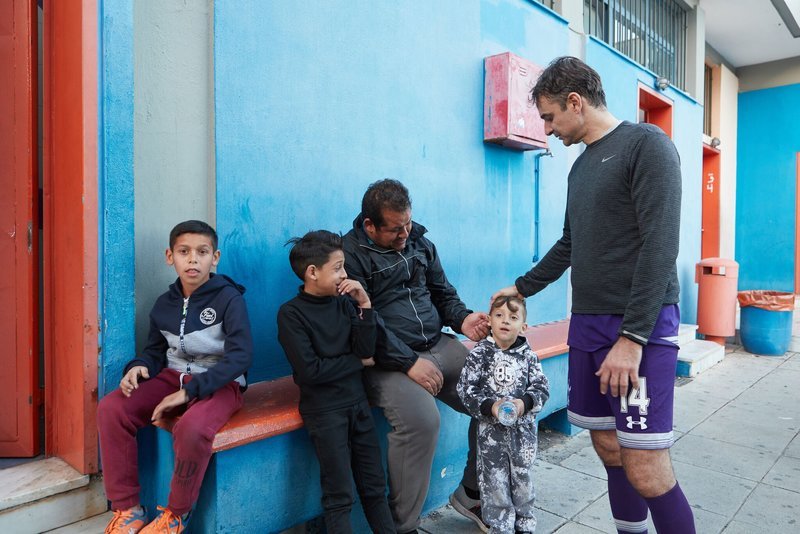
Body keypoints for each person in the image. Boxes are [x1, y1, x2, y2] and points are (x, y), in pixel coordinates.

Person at [492, 56, 695, 534]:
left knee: (646, 465)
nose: (547, 129)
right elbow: (570, 242)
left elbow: (660, 244)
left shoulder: (648, 145)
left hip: (637, 328)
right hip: (588, 325)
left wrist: (633, 338)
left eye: (549, 116)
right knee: (607, 447)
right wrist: (521, 287)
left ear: (575, 102)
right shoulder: (580, 166)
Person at [342, 179, 491, 534]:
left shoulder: (420, 242)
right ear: (369, 225)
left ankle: (472, 491)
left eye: (408, 223)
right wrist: (408, 362)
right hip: (385, 362)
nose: (404, 233)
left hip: (437, 343)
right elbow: (362, 323)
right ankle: (401, 526)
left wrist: (463, 317)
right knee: (423, 422)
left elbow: (443, 293)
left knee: (496, 397)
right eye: (395, 229)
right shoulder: (349, 257)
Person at [98, 220, 253, 534]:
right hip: (172, 376)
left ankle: (175, 516)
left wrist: (190, 392)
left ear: (216, 257)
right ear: (170, 256)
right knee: (111, 408)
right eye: (184, 251)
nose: (193, 259)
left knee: (192, 427)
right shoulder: (163, 304)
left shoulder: (228, 299)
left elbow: (241, 356)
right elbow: (155, 350)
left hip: (220, 383)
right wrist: (138, 366)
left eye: (202, 251)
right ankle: (128, 510)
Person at [276, 230, 395, 534]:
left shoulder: (344, 302)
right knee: (339, 495)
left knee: (374, 485)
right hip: (325, 413)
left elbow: (367, 350)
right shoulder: (291, 314)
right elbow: (310, 372)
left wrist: (365, 305)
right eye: (338, 267)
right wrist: (357, 363)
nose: (345, 274)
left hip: (358, 404)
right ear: (312, 273)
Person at [457, 296, 549, 534]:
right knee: (494, 482)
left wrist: (523, 403)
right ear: (489, 321)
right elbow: (466, 389)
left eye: (513, 317)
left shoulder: (528, 356)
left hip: (523, 436)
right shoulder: (480, 354)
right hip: (491, 436)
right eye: (499, 316)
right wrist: (490, 407)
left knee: (522, 481)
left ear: (523, 326)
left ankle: (525, 524)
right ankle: (500, 526)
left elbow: (541, 388)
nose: (505, 321)